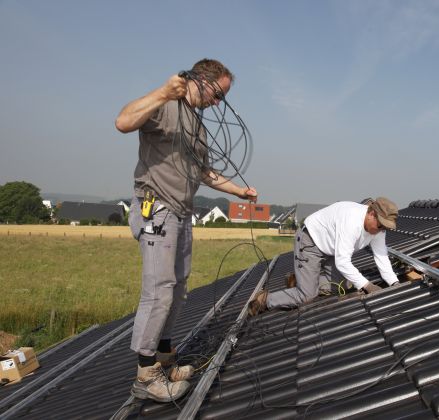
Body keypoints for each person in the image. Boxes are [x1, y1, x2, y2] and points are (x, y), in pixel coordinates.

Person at [115, 58, 258, 402]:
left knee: (178, 289)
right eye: (218, 94)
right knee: (159, 289)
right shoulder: (164, 106)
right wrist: (164, 91)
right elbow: (123, 121)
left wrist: (239, 191)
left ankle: (165, 357)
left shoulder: (197, 125)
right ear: (202, 81)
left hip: (182, 212)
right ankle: (146, 376)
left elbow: (204, 172)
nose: (219, 103)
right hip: (157, 208)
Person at [248, 197, 399, 316]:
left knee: (344, 285)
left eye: (385, 228)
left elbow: (381, 256)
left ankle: (298, 280)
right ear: (371, 214)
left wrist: (394, 283)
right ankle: (265, 300)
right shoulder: (352, 220)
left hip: (332, 249)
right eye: (380, 226)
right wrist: (368, 286)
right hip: (311, 241)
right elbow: (343, 262)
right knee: (307, 296)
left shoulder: (379, 229)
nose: (381, 231)